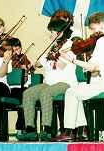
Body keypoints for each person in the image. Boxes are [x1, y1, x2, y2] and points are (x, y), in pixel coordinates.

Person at [58, 12, 104, 142]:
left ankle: (70, 131)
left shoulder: (103, 41)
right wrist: (83, 63)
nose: (92, 30)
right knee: (77, 91)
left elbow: (93, 67)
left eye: (93, 27)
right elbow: (95, 66)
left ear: (101, 24)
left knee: (71, 92)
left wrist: (73, 60)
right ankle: (77, 130)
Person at [17, 9, 77, 141]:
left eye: (52, 32)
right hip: (49, 83)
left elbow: (61, 65)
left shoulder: (70, 45)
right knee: (28, 93)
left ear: (60, 33)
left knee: (46, 93)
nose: (50, 35)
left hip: (65, 82)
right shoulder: (52, 47)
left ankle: (47, 129)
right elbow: (40, 63)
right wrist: (36, 63)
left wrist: (52, 57)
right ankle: (30, 130)